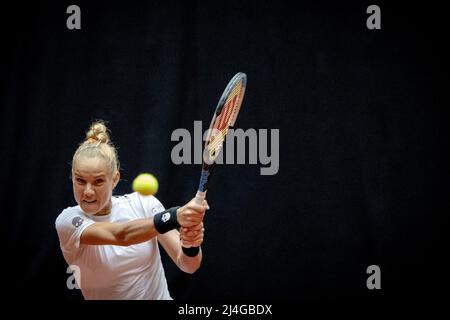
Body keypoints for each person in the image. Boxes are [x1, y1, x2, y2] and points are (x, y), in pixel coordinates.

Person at [55, 121, 208, 300]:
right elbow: (121, 235)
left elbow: (188, 265)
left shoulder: (144, 204)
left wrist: (191, 244)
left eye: (98, 181)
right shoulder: (68, 221)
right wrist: (175, 216)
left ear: (114, 179)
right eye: (80, 180)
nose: (88, 191)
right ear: (72, 177)